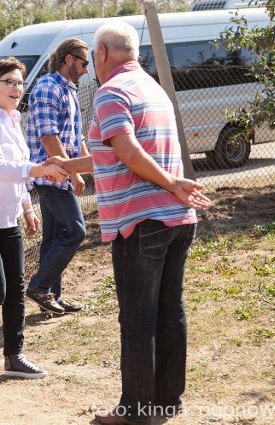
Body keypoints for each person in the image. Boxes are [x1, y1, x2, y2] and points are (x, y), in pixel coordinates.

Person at [46, 21, 212, 424]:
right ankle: (167, 399)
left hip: (141, 222)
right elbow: (113, 152)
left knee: (137, 319)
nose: (91, 68)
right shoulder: (152, 88)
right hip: (176, 217)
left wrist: (172, 181)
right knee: (169, 311)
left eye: (92, 59)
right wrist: (68, 165)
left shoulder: (111, 92)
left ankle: (137, 412)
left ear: (102, 53)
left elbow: (128, 149)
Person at [0, 57, 69, 388]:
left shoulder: (11, 119)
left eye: (20, 83)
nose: (16, 88)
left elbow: (17, 167)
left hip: (7, 219)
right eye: (9, 82)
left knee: (16, 291)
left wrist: (27, 207)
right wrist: (40, 169)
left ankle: (13, 356)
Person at [25, 39, 91, 315]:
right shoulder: (47, 88)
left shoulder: (68, 90)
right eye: (84, 63)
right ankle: (39, 287)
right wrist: (71, 172)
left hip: (60, 172)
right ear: (68, 59)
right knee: (76, 230)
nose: (87, 69)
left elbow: (77, 135)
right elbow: (48, 134)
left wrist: (82, 167)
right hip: (50, 175)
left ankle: (50, 297)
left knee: (54, 237)